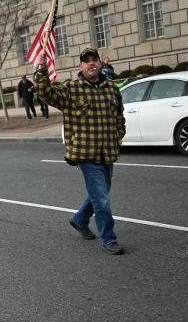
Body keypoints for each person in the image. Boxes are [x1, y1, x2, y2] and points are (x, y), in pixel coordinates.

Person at [36, 48, 126, 255]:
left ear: (101, 64)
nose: (91, 63)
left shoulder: (111, 88)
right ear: (81, 66)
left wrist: (119, 134)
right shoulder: (71, 89)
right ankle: (109, 239)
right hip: (86, 153)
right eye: (87, 61)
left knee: (99, 193)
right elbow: (45, 93)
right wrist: (41, 69)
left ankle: (79, 219)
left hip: (108, 151)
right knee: (101, 198)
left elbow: (119, 115)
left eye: (95, 60)